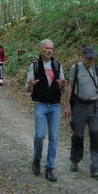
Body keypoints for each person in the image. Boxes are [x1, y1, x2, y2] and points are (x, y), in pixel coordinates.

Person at [26, 39, 65, 182]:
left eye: (51, 48)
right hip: (40, 104)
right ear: (41, 50)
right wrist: (30, 85)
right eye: (47, 48)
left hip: (55, 106)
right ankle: (36, 159)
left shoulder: (57, 65)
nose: (49, 51)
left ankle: (50, 168)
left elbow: (62, 86)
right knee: (40, 135)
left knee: (54, 137)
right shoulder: (35, 66)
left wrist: (62, 86)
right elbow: (27, 88)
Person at [64, 45, 98, 181]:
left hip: (93, 106)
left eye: (93, 58)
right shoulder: (76, 68)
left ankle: (96, 169)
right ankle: (75, 160)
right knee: (78, 135)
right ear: (83, 56)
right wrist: (67, 105)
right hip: (79, 106)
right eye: (88, 58)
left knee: (94, 133)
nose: (91, 60)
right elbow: (69, 87)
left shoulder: (97, 70)